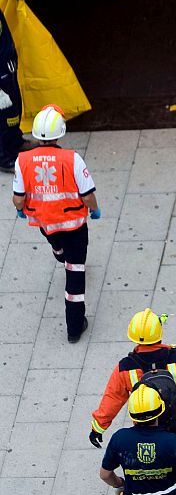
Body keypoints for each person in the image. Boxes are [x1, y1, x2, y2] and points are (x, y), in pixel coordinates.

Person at [12, 104, 99, 342]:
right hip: (74, 225)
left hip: (46, 224)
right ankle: (74, 327)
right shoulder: (73, 159)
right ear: (60, 132)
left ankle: (59, 252)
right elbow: (88, 195)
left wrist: (20, 210)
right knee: (75, 274)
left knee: (59, 249)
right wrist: (95, 209)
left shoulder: (23, 161)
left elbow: (18, 198)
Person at [90, 308, 176, 450]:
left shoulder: (125, 368)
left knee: (158, 458)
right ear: (159, 333)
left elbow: (112, 399)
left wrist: (98, 427)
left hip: (148, 428)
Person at [0, 0, 33, 172]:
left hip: (7, 60)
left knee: (15, 104)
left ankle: (15, 141)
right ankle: (6, 157)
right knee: (5, 111)